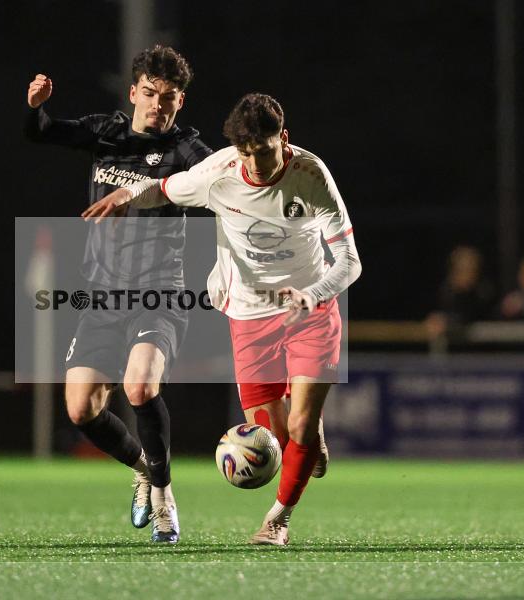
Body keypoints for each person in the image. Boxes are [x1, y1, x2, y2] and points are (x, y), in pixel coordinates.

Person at [83, 93, 361, 545]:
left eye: (264, 152)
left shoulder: (311, 175)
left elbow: (349, 261)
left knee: (299, 427)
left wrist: (311, 296)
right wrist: (127, 193)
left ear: (283, 138)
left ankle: (278, 521)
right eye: (246, 153)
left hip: (309, 312)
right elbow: (164, 188)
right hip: (249, 315)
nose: (255, 165)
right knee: (272, 440)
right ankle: (307, 437)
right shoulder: (220, 172)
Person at [24, 45, 212, 543]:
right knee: (81, 409)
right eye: (149, 93)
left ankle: (164, 498)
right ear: (133, 93)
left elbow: (220, 177)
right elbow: (43, 132)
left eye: (168, 97)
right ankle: (144, 469)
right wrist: (35, 108)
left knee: (140, 387)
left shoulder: (185, 149)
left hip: (159, 294)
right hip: (104, 297)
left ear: (180, 102)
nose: (157, 104)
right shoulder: (107, 133)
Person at [426, 246, 496, 340]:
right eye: (461, 269)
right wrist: (438, 318)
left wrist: (447, 320)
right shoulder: (446, 291)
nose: (466, 275)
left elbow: (471, 317)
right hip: (453, 344)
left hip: (484, 343)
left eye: (470, 269)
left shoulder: (483, 292)